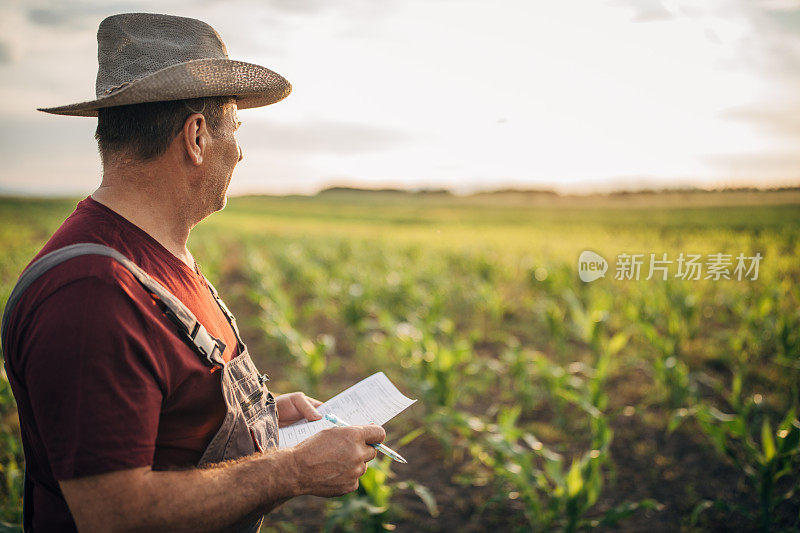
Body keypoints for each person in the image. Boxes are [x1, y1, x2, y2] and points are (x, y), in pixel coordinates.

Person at [0, 12, 385, 532]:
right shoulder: (93, 293)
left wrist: (266, 419)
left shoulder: (154, 255)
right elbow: (113, 514)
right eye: (236, 129)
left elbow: (175, 418)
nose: (242, 152)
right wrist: (290, 470)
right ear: (197, 136)